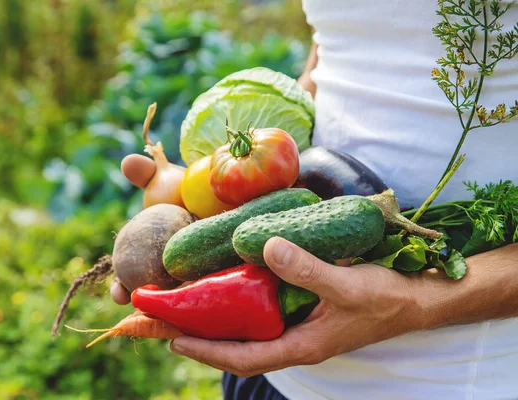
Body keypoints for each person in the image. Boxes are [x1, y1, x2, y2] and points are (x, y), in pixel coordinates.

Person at [112, 1, 518, 398]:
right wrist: (211, 192)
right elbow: (339, 40)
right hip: (276, 374)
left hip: (449, 381)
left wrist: (414, 302)